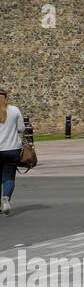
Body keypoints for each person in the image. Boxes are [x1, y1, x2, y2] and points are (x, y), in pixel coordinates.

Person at [0, 88, 26, 216]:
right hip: (11, 149)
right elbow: (21, 128)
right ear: (6, 97)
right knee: (8, 177)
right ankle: (5, 198)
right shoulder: (14, 110)